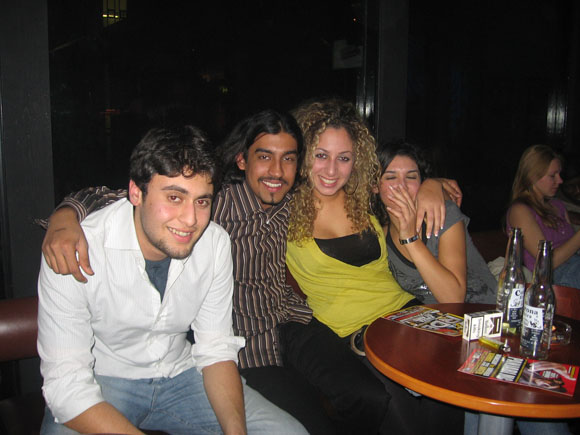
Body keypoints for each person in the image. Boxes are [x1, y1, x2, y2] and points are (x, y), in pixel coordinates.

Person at [40, 107, 460, 434]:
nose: (189, 217)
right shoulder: (213, 209)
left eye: (288, 159)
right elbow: (128, 196)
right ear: (242, 160)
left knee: (366, 399)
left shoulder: (287, 204)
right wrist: (66, 215)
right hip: (239, 344)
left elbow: (389, 184)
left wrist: (430, 183)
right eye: (265, 157)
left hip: (289, 323)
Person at [37, 125, 306, 434]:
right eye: (175, 197)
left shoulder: (214, 243)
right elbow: (66, 386)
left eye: (202, 201)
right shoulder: (75, 248)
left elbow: (215, 349)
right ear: (136, 193)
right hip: (101, 382)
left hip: (181, 375)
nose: (190, 220)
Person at [285, 99, 465, 435]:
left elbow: (403, 182)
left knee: (448, 414)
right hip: (359, 335)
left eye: (344, 158)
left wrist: (432, 183)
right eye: (321, 155)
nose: (331, 170)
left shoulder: (364, 200)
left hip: (410, 317)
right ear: (303, 153)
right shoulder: (283, 208)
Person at [372, 141, 496, 304]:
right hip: (432, 318)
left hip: (484, 312)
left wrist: (410, 238)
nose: (402, 186)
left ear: (421, 182)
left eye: (411, 177)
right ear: (375, 186)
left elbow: (453, 299)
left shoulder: (444, 213)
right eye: (391, 177)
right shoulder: (381, 237)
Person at [507, 144, 580, 288]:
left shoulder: (558, 205)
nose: (560, 180)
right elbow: (546, 261)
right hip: (553, 278)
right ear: (533, 176)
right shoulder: (520, 210)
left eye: (559, 174)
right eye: (553, 176)